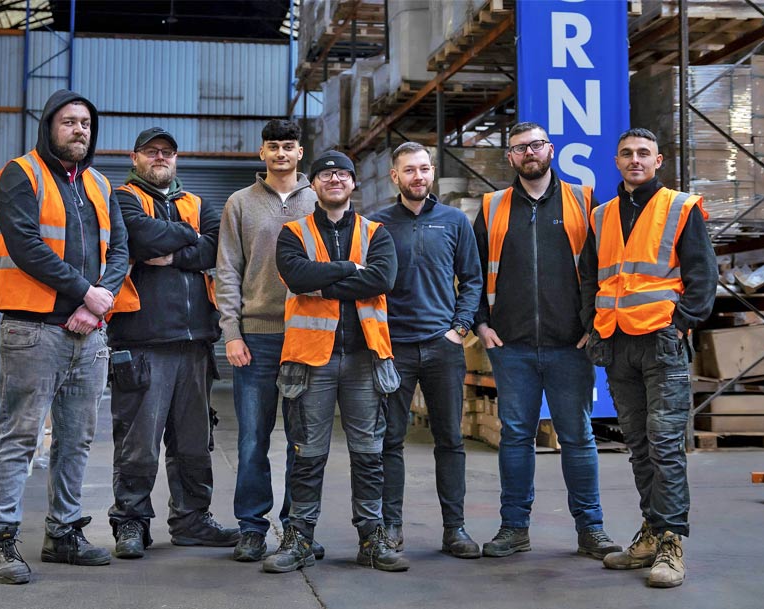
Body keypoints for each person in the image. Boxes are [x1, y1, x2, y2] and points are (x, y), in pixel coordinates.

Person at [0, 90, 130, 584]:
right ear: (50, 126)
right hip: (33, 330)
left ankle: (63, 533)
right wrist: (86, 293)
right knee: (19, 437)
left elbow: (120, 250)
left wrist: (98, 305)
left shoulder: (98, 182)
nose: (79, 131)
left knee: (77, 439)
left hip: (88, 333)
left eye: (86, 123)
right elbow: (26, 247)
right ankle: (0, 540)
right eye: (69, 122)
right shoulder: (20, 175)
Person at [473, 121, 620, 561]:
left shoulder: (586, 200)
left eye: (535, 145)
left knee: (576, 436)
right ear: (511, 157)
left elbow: (605, 268)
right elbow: (471, 272)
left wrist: (593, 324)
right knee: (516, 436)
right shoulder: (491, 207)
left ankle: (591, 529)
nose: (528, 153)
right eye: (519, 148)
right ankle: (514, 528)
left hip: (569, 344)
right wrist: (481, 323)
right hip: (511, 345)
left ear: (550, 150)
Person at [580, 128, 717, 588]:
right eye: (626, 154)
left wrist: (681, 322)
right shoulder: (602, 216)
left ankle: (672, 542)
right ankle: (651, 532)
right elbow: (589, 278)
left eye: (643, 154)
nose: (634, 160)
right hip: (617, 343)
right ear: (616, 162)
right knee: (638, 444)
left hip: (661, 341)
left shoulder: (680, 207)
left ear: (658, 160)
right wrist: (591, 325)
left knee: (664, 445)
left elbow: (702, 274)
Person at [264, 150, 407, 574]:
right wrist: (347, 269)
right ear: (315, 184)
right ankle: (300, 537)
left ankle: (371, 537)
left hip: (365, 358)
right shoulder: (293, 232)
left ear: (353, 183)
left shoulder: (377, 233)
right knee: (307, 453)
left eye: (342, 174)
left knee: (369, 453)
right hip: (312, 361)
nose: (334, 180)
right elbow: (297, 276)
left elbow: (382, 279)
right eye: (326, 175)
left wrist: (323, 283)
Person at [105, 127, 239, 559]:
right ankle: (130, 522)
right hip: (143, 342)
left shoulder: (198, 204)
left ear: (176, 159)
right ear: (136, 158)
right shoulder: (122, 197)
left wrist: (175, 249)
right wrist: (187, 238)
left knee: (194, 444)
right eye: (151, 152)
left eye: (167, 153)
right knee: (138, 442)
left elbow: (215, 249)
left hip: (196, 344)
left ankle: (191, 520)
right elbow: (142, 239)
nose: (160, 158)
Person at [370, 142, 482, 558]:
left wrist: (460, 328)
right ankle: (392, 526)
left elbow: (472, 278)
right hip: (393, 347)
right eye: (409, 170)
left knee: (450, 440)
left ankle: (455, 528)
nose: (418, 176)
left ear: (432, 172)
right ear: (394, 177)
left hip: (442, 346)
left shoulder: (454, 221)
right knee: (389, 440)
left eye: (424, 169)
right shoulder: (377, 224)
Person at [215, 119, 320, 562]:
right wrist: (232, 332)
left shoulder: (318, 199)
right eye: (273, 146)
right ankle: (253, 528)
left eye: (289, 146)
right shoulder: (240, 204)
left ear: (300, 154)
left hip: (308, 336)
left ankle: (298, 528)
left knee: (303, 439)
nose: (280, 153)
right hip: (256, 339)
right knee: (253, 438)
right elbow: (227, 270)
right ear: (262, 154)